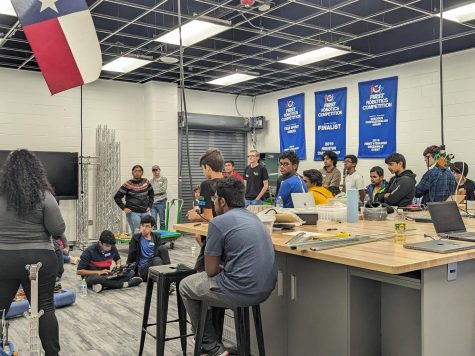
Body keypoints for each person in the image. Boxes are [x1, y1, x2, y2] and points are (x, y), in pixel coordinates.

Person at [180, 177, 277, 356]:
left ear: (222, 201)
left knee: (185, 285)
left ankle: (211, 346)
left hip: (241, 291)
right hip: (266, 289)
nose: (213, 202)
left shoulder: (218, 222)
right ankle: (214, 341)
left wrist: (207, 249)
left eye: (215, 198)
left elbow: (210, 271)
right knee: (210, 283)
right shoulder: (254, 217)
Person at [0, 149, 65, 356]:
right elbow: (57, 229)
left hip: (4, 260)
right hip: (39, 260)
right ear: (36, 170)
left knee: (0, 309)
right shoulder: (44, 195)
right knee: (45, 307)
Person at [185, 148, 224, 271]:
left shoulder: (206, 185)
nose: (203, 172)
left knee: (200, 270)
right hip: (229, 233)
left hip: (214, 233)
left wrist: (194, 215)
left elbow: (207, 217)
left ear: (207, 167)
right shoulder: (231, 183)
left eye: (202, 168)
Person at [77, 230, 142, 293]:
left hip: (107, 275)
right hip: (92, 276)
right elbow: (79, 271)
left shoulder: (112, 247)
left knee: (131, 272)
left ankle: (102, 286)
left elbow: (118, 259)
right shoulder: (89, 251)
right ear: (100, 243)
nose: (109, 248)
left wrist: (118, 267)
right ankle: (126, 284)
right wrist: (98, 272)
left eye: (111, 245)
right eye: (107, 246)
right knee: (97, 279)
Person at [126, 215, 171, 281]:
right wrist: (127, 272)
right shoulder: (136, 238)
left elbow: (160, 254)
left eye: (147, 226)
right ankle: (166, 281)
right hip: (143, 271)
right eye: (142, 225)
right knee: (157, 260)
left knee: (163, 248)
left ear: (152, 228)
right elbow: (131, 255)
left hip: (155, 265)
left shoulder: (156, 237)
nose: (144, 228)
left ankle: (169, 275)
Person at [114, 165, 154, 235]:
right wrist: (124, 208)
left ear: (142, 173)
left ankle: (145, 245)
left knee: (147, 231)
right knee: (137, 231)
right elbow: (117, 197)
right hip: (133, 212)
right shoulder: (128, 184)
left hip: (145, 211)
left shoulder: (146, 182)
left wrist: (150, 206)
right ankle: (135, 245)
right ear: (132, 172)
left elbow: (151, 194)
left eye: (139, 171)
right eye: (135, 171)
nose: (137, 172)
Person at [150, 165, 168, 230]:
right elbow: (150, 191)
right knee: (153, 220)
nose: (155, 172)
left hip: (161, 202)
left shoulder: (164, 179)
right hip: (153, 204)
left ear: (159, 170)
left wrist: (153, 192)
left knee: (162, 221)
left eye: (156, 170)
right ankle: (155, 236)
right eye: (154, 170)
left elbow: (163, 189)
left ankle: (163, 236)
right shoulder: (151, 181)